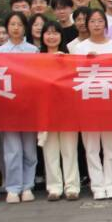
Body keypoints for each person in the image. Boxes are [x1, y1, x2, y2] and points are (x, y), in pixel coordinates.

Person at [69, 8, 112, 200]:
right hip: (87, 102)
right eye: (92, 21)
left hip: (109, 102)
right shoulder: (80, 48)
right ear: (87, 25)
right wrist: (86, 62)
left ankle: (111, 184)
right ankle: (97, 185)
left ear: (105, 24)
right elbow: (73, 74)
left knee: (110, 147)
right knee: (91, 148)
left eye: (100, 21)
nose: (96, 25)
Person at [0, 12, 40, 203]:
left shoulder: (33, 50)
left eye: (19, 24)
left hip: (28, 106)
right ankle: (13, 187)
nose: (15, 28)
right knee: (12, 149)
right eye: (12, 24)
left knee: (29, 149)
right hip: (8, 107)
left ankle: (28, 186)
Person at [33, 20, 80, 201]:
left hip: (67, 110)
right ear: (42, 36)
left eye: (55, 33)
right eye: (48, 33)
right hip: (45, 110)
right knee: (50, 150)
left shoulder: (70, 57)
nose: (51, 37)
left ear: (61, 36)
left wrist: (64, 62)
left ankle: (72, 187)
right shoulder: (35, 59)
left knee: (69, 150)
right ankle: (54, 187)